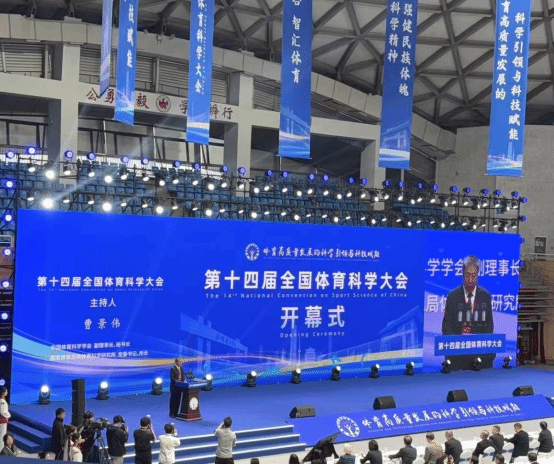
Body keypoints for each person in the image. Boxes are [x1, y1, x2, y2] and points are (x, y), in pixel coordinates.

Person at [442, 255, 495, 370]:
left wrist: (475, 339)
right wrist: (460, 339)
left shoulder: (485, 296)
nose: (470, 279)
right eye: (468, 275)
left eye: (474, 275)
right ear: (463, 274)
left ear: (478, 274)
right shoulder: (453, 296)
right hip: (457, 352)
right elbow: (446, 326)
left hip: (478, 351)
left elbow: (489, 326)